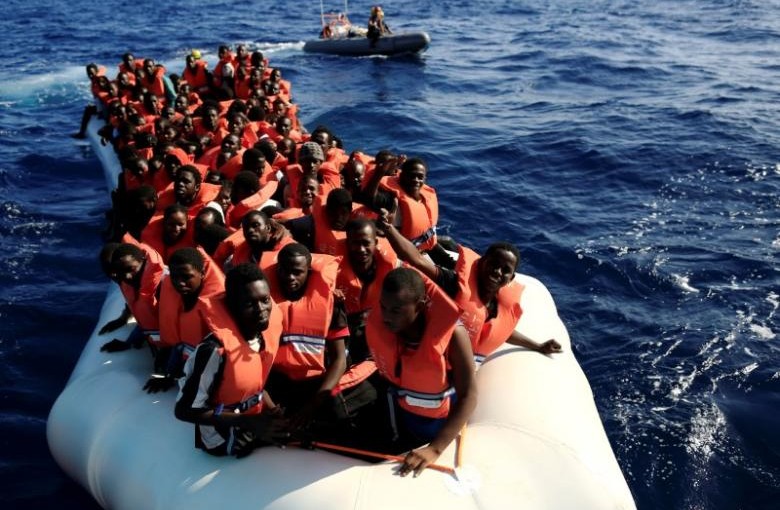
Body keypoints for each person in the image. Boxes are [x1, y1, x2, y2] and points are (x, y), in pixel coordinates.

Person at [379, 213, 562, 363]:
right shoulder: (454, 283)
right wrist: (388, 228)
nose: (498, 272)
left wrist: (538, 346)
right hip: (426, 357)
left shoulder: (496, 305)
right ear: (482, 263)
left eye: (505, 270)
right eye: (493, 264)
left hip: (458, 368)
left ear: (510, 278)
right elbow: (416, 259)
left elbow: (497, 331)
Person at [366, 267, 477, 476]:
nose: (386, 316)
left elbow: (469, 395)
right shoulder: (386, 328)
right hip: (399, 418)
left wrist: (435, 449)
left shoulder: (453, 336)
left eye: (396, 310)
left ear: (420, 306)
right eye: (383, 307)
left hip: (436, 427)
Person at [175, 263, 289, 457]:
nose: (261, 309)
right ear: (233, 307)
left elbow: (254, 385)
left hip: (252, 417)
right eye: (249, 304)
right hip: (222, 437)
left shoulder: (261, 336)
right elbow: (184, 411)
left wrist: (271, 410)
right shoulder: (214, 350)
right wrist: (247, 423)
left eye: (265, 300)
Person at [264, 243, 349, 434]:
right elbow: (254, 362)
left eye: (297, 272)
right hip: (276, 383)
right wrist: (270, 408)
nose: (289, 277)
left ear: (308, 272)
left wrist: (312, 405)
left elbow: (339, 360)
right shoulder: (262, 304)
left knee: (338, 424)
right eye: (284, 271)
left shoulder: (331, 304)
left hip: (314, 384)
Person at [150, 247, 225, 392]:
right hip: (186, 360)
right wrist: (170, 375)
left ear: (202, 273)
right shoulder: (173, 292)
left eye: (186, 277)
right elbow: (180, 345)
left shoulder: (219, 305)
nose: (180, 283)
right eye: (175, 277)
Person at [100, 242, 166, 353]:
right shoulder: (126, 282)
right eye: (109, 271)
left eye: (115, 269)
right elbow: (141, 312)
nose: (113, 275)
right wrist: (123, 319)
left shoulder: (161, 285)